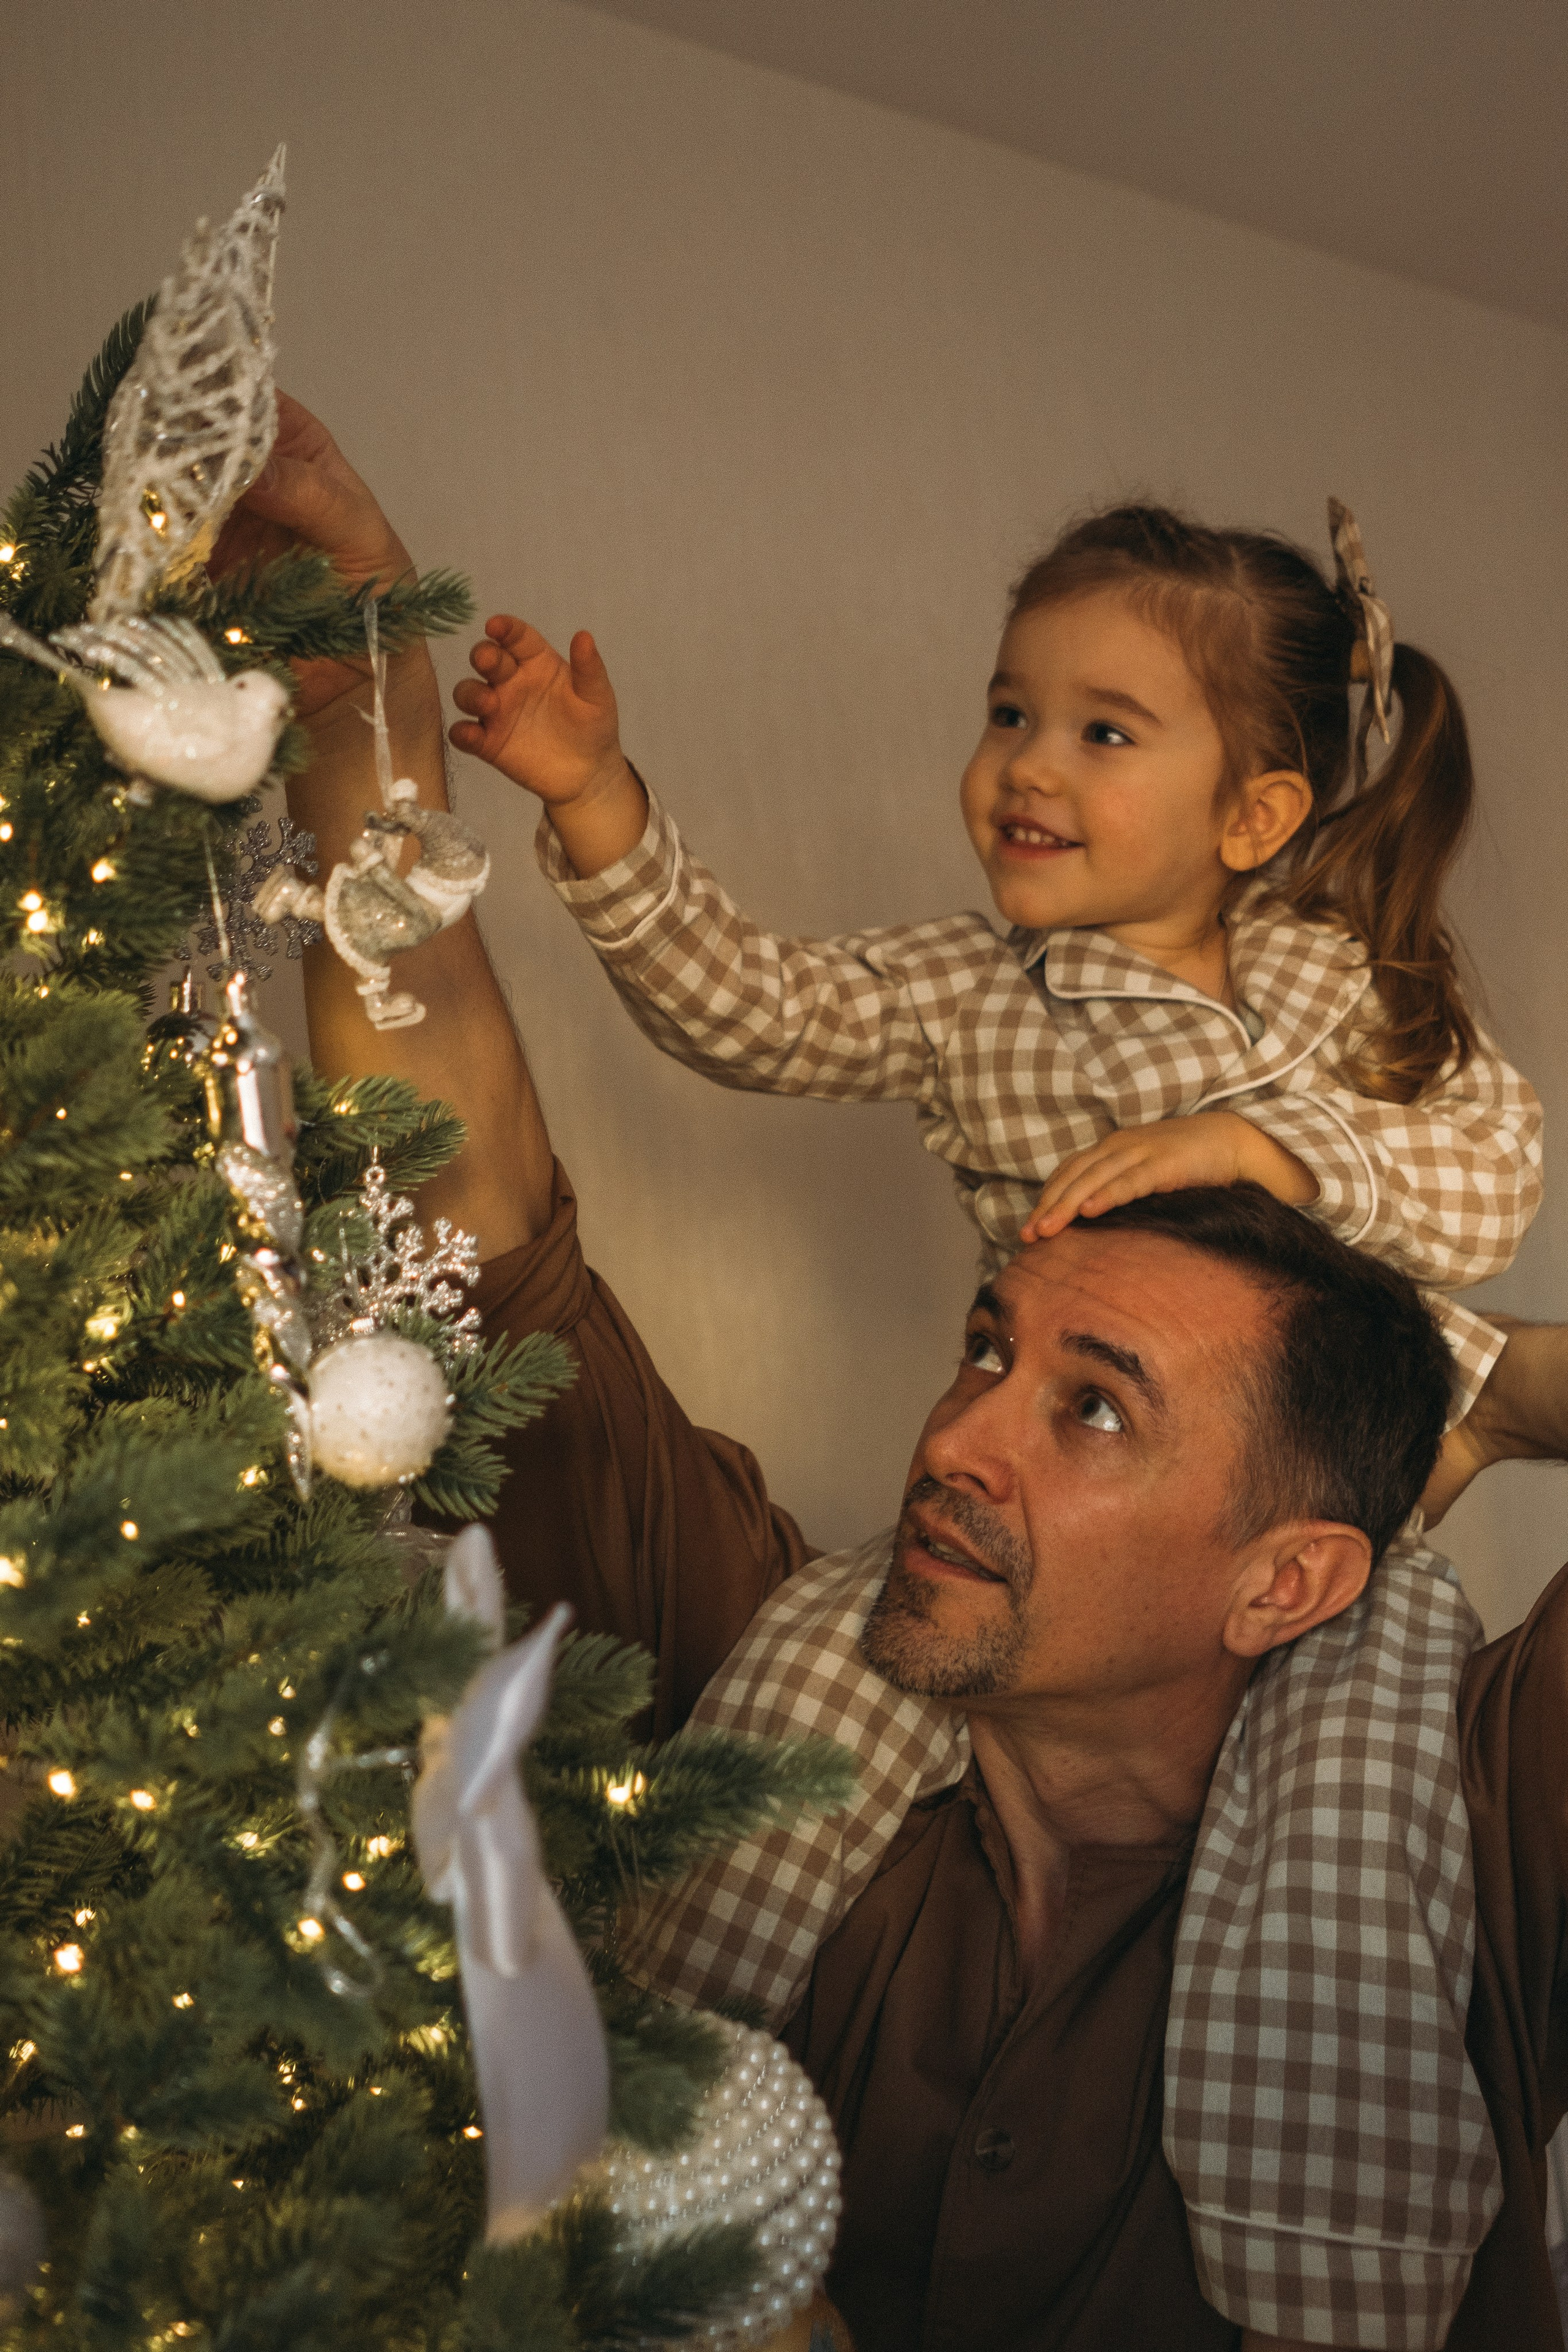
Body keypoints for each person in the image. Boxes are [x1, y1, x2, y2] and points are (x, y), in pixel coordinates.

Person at [220, 402, 1568, 2352]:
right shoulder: (789, 1665)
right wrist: (370, 672)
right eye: (984, 1350)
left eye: (1094, 1405)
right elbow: (479, 1202)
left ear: (1290, 1574)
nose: (953, 1437)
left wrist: (1511, 1366)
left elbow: (1472, 1144)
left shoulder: (1466, 1832)